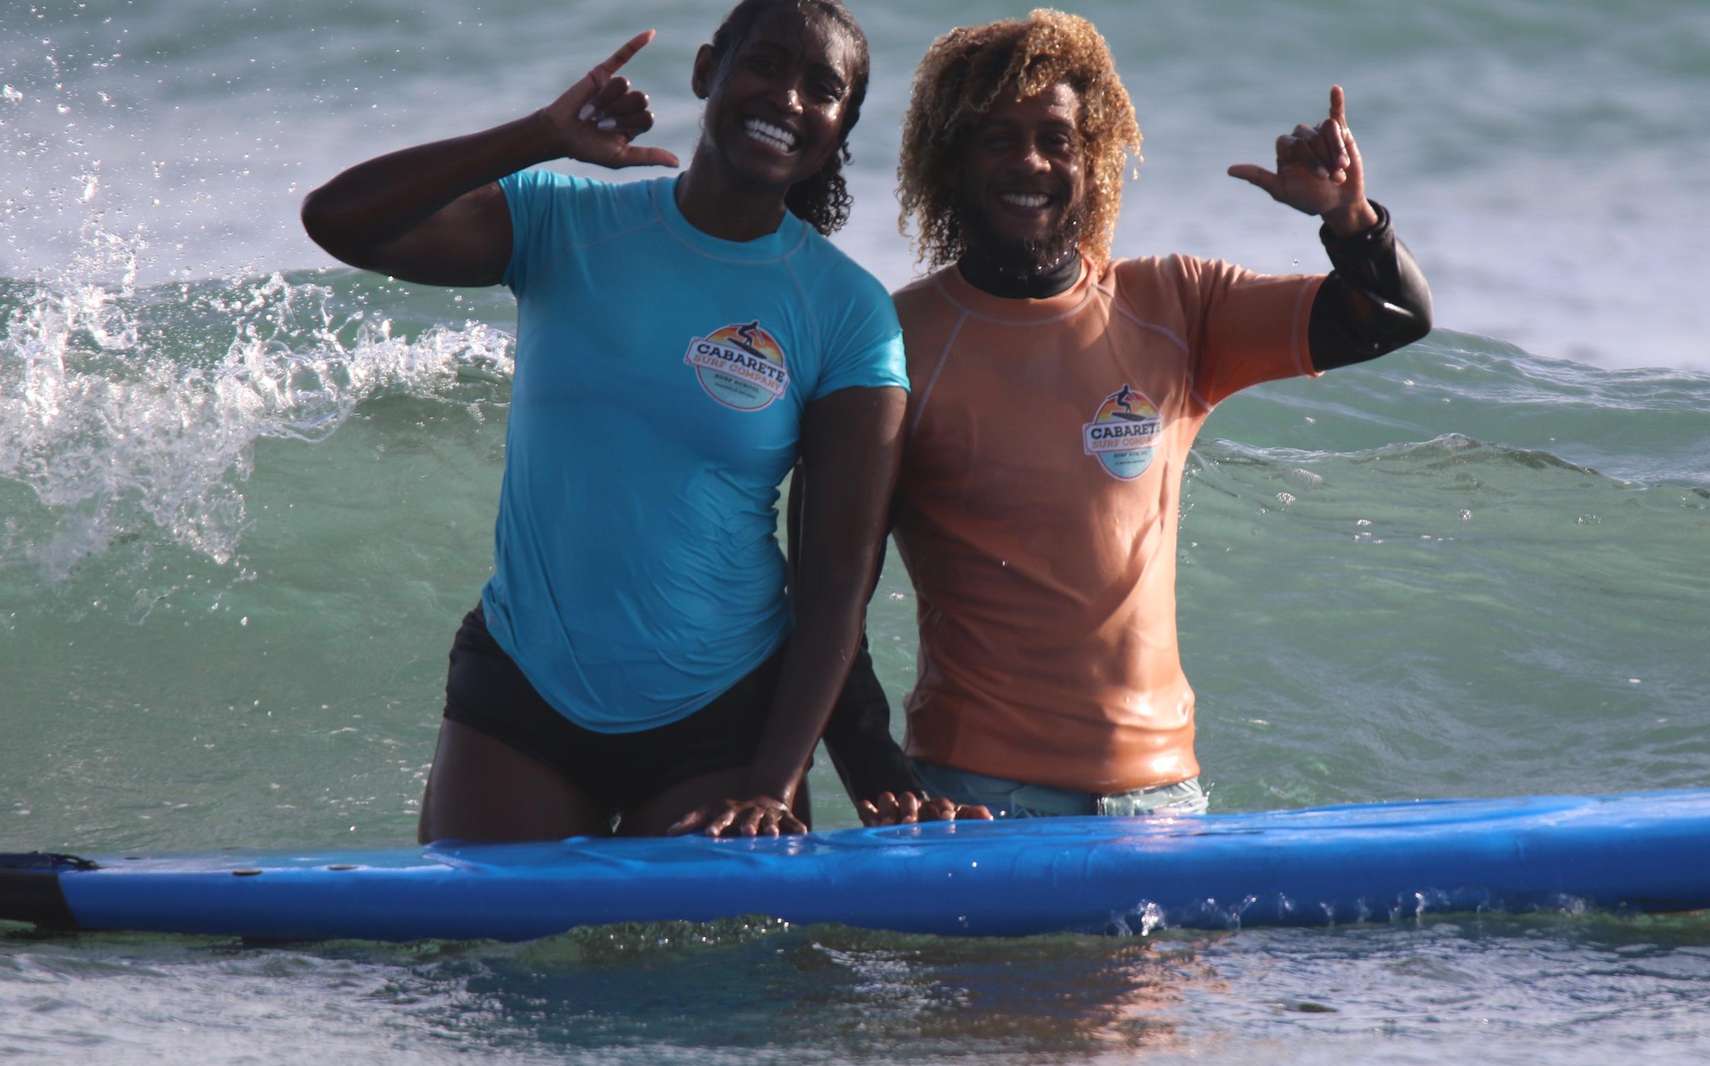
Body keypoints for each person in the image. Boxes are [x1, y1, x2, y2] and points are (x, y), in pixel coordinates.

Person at [300, 0, 974, 841]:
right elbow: (339, 221)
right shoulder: (562, 223)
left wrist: (774, 782)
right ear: (706, 73)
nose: (788, 98)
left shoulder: (845, 312)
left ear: (839, 129)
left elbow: (836, 590)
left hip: (723, 717)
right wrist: (541, 134)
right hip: (524, 690)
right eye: (764, 64)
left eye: (822, 89)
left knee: (720, 975)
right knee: (482, 967)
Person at [828, 9, 1434, 820]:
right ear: (952, 160)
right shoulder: (897, 340)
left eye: (1056, 137)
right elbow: (831, 594)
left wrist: (1346, 218)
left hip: (1163, 800)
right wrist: (880, 771)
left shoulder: (1177, 306)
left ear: (1095, 155)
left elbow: (1392, 314)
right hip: (978, 796)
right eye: (998, 139)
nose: (1030, 162)